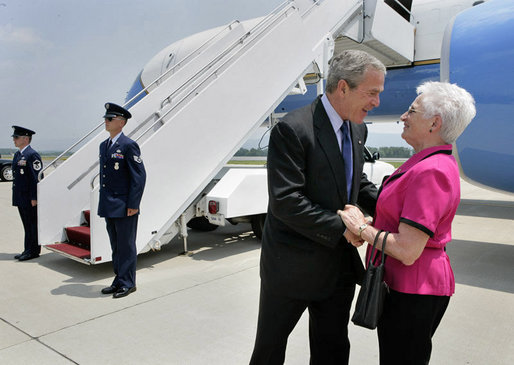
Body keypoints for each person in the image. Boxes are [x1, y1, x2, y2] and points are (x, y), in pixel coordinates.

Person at [250, 50, 386, 365]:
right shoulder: (293, 129)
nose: (377, 102)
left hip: (337, 267)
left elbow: (353, 182)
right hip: (291, 267)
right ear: (342, 88)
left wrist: (393, 205)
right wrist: (347, 228)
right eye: (372, 93)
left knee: (333, 349)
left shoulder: (357, 128)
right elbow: (286, 201)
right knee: (269, 351)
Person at [339, 81, 476, 364]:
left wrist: (362, 228)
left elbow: (407, 249)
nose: (403, 116)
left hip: (414, 289)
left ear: (434, 123)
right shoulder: (424, 162)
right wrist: (369, 228)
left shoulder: (431, 171)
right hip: (406, 285)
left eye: (412, 111)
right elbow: (401, 220)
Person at [98, 102, 146, 299]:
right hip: (109, 204)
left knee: (126, 245)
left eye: (110, 119)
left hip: (125, 206)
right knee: (116, 245)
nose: (106, 122)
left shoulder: (128, 145)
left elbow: (139, 177)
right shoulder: (104, 145)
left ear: (121, 122)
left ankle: (128, 283)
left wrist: (133, 205)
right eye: (106, 118)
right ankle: (119, 279)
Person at [11, 125, 43, 261]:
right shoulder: (19, 154)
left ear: (25, 139)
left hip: (29, 197)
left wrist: (34, 197)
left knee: (32, 224)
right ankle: (27, 249)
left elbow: (36, 178)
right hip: (20, 196)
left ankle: (33, 251)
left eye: (16, 137)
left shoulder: (32, 155)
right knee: (26, 224)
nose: (14, 140)